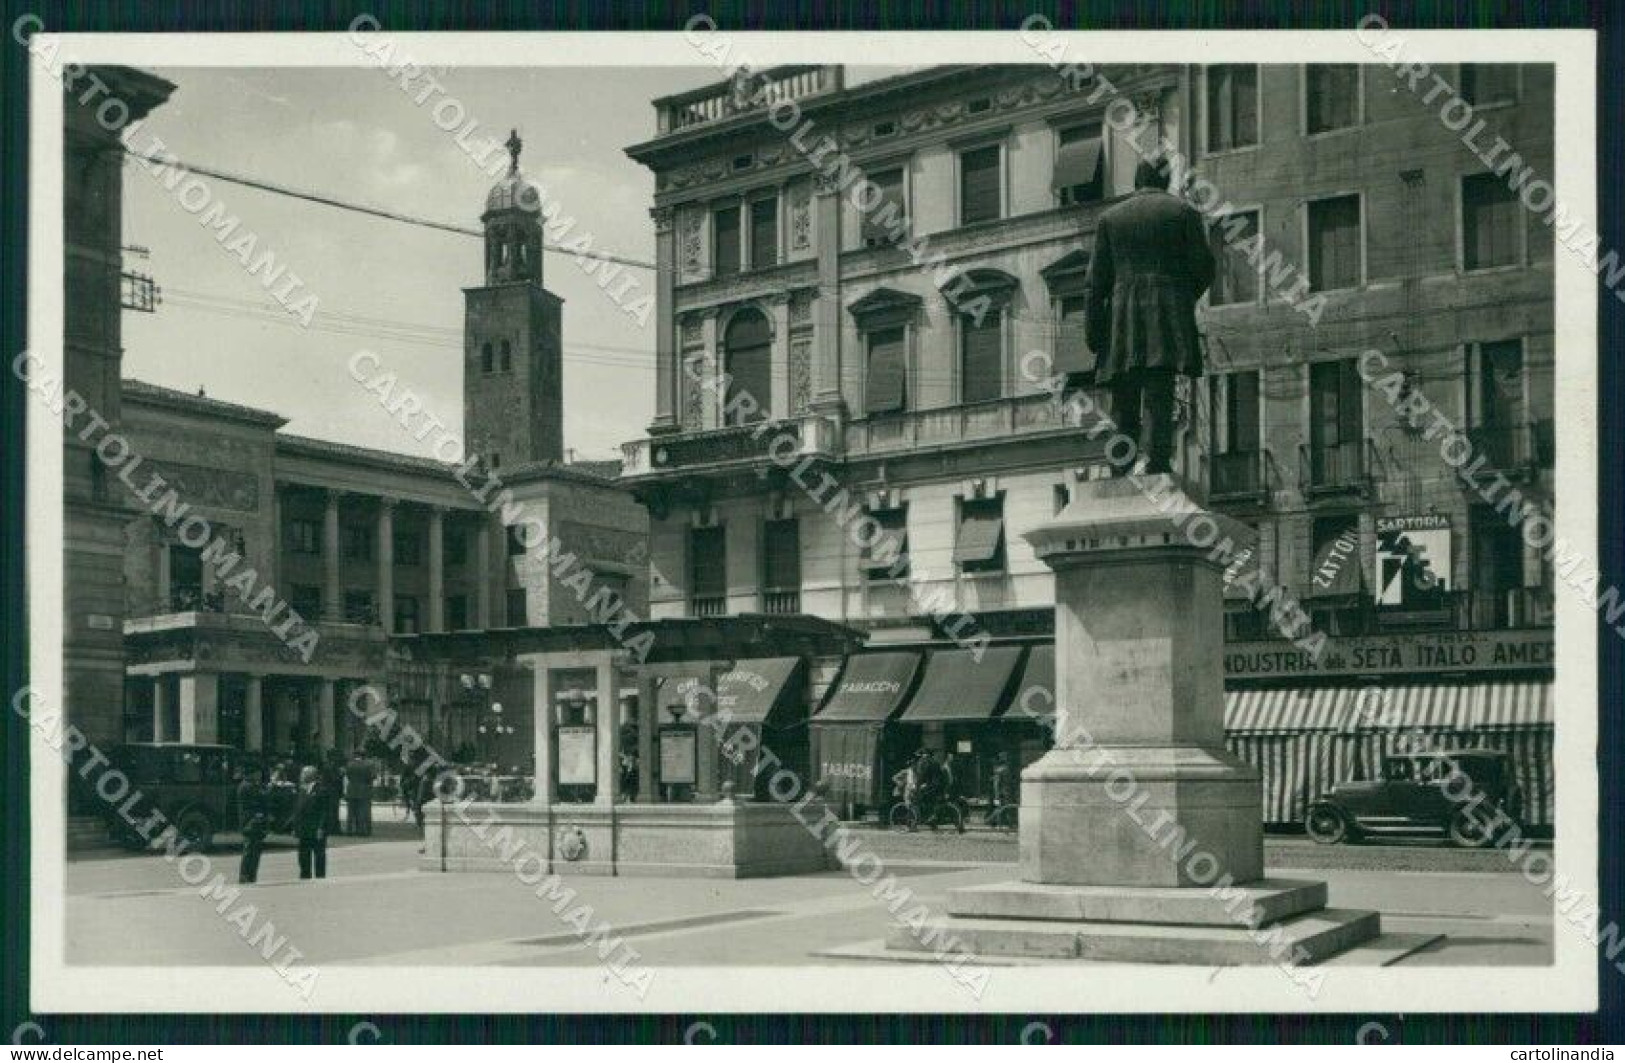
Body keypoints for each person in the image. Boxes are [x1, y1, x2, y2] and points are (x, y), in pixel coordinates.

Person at [1083, 153, 1215, 477]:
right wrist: (1179, 298)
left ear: (1137, 180)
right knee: (1160, 393)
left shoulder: (1110, 219)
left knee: (1123, 401)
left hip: (1121, 320)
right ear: (1166, 180)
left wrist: (1094, 332)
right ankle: (1158, 465)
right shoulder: (1183, 213)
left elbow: (1094, 283)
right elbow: (1204, 269)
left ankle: (1120, 467)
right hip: (1166, 318)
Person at [292, 765, 328, 880]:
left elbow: (325, 811)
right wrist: (295, 827)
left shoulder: (321, 790)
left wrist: (321, 828)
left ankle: (320, 876)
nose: (301, 776)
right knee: (303, 854)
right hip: (303, 828)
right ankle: (305, 875)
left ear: (310, 775)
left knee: (319, 854)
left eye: (303, 773)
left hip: (316, 828)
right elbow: (298, 810)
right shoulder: (301, 789)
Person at [235, 765, 268, 884]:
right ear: (251, 773)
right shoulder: (246, 786)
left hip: (255, 822)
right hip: (250, 822)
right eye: (257, 773)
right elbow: (256, 801)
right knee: (249, 850)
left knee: (255, 851)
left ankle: (251, 876)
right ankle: (245, 876)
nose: (259, 775)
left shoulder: (253, 785)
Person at [344, 750, 375, 837]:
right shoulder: (368, 765)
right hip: (364, 790)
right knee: (362, 811)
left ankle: (349, 830)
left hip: (351, 789)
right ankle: (362, 830)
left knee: (350, 812)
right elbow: (372, 776)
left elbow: (348, 776)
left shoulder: (349, 764)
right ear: (363, 756)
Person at [320, 750, 345, 836]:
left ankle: (332, 828)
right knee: (332, 811)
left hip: (330, 791)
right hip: (331, 791)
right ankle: (332, 829)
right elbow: (334, 779)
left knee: (332, 810)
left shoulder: (328, 765)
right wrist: (341, 774)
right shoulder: (330, 766)